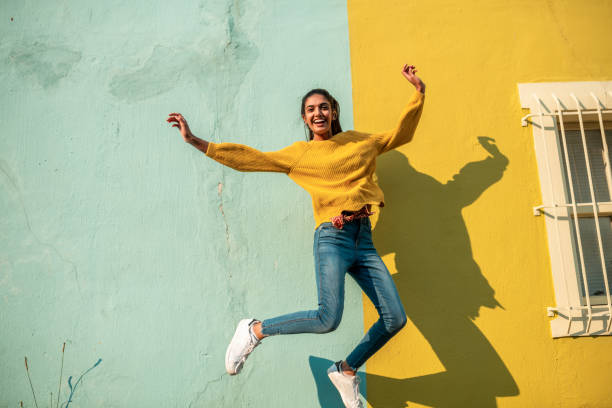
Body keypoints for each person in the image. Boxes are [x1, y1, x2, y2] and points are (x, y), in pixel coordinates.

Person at [167, 64, 425, 408]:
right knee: (326, 319)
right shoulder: (300, 155)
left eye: (323, 107)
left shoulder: (360, 142)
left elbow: (400, 134)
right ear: (305, 119)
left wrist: (418, 94)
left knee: (395, 319)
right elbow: (250, 159)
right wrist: (197, 141)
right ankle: (255, 330)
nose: (318, 113)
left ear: (334, 112)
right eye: (310, 110)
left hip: (364, 240)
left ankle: (345, 371)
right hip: (332, 238)